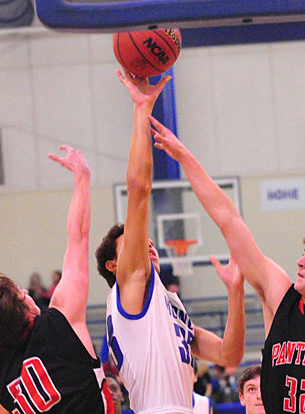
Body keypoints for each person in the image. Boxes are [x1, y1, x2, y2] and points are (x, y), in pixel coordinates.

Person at [149, 115, 305, 414]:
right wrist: (185, 158)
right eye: (303, 253)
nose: (300, 261)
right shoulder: (281, 298)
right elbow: (229, 219)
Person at [95, 69, 246, 414]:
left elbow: (229, 355)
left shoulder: (169, 308)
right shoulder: (130, 285)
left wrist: (235, 293)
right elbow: (139, 189)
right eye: (131, 242)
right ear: (114, 265)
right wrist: (142, 109)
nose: (144, 242)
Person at [0, 145, 114, 414]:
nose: (24, 290)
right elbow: (78, 235)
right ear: (25, 307)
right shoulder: (61, 321)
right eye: (20, 293)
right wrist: (82, 177)